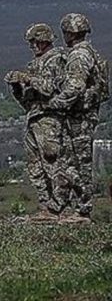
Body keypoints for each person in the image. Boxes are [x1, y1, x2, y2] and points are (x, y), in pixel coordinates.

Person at [48, 13, 110, 223]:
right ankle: (60, 205)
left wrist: (55, 103)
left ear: (69, 33)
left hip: (79, 117)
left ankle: (83, 210)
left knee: (80, 163)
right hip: (82, 115)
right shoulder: (90, 52)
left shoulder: (78, 55)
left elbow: (75, 87)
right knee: (68, 162)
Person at [4, 23, 68, 223]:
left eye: (35, 42)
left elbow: (49, 88)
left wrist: (27, 78)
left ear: (44, 40)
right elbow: (28, 102)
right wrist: (17, 87)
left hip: (50, 118)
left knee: (52, 162)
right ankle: (45, 205)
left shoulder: (56, 59)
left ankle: (60, 206)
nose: (32, 46)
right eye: (31, 43)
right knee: (35, 166)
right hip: (34, 117)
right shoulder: (36, 64)